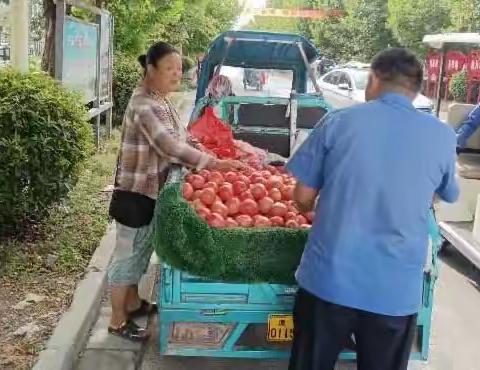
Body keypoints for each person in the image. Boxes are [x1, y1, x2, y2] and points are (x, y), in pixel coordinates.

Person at [286, 48, 459, 370]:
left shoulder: (339, 121)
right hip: (393, 292)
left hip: (329, 282)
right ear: (417, 88)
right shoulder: (442, 136)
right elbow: (446, 194)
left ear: (375, 79)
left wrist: (320, 204)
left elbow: (303, 195)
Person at [107, 42, 242, 342]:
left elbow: (181, 136)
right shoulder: (143, 105)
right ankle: (117, 321)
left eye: (180, 69)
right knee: (126, 258)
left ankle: (132, 303)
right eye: (170, 69)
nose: (176, 74)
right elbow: (169, 147)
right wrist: (213, 163)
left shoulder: (162, 100)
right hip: (135, 193)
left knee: (141, 254)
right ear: (150, 70)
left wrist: (205, 150)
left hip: (153, 191)